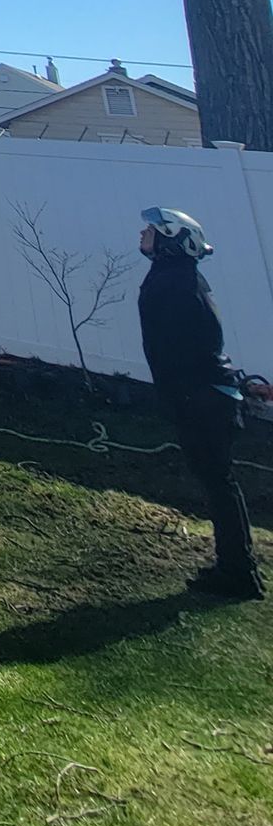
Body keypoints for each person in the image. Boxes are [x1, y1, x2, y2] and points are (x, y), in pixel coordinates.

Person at [136, 205, 269, 601]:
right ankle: (236, 568)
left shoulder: (174, 283)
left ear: (172, 240)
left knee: (219, 484)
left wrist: (187, 396)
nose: (142, 235)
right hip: (206, 396)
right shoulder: (178, 278)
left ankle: (239, 574)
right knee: (219, 483)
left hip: (204, 400)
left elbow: (185, 349)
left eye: (151, 230)